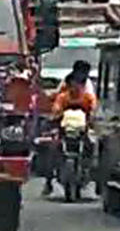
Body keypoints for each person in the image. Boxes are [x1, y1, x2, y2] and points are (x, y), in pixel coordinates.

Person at [42, 61, 99, 197]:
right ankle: (49, 181)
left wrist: (92, 118)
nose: (75, 86)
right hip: (64, 129)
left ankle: (94, 176)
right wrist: (55, 116)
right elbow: (56, 108)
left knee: (92, 146)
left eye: (78, 84)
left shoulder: (88, 95)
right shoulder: (63, 96)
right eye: (73, 83)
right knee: (52, 148)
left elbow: (94, 109)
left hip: (82, 129)